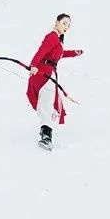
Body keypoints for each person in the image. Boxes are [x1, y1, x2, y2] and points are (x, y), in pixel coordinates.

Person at [27, 13, 83, 149]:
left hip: (48, 73)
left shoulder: (57, 40)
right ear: (57, 22)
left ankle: (45, 132)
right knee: (47, 103)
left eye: (69, 25)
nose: (67, 27)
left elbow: (59, 54)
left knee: (47, 103)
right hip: (44, 73)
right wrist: (33, 65)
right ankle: (46, 136)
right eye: (64, 23)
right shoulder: (52, 36)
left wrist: (74, 53)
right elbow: (41, 51)